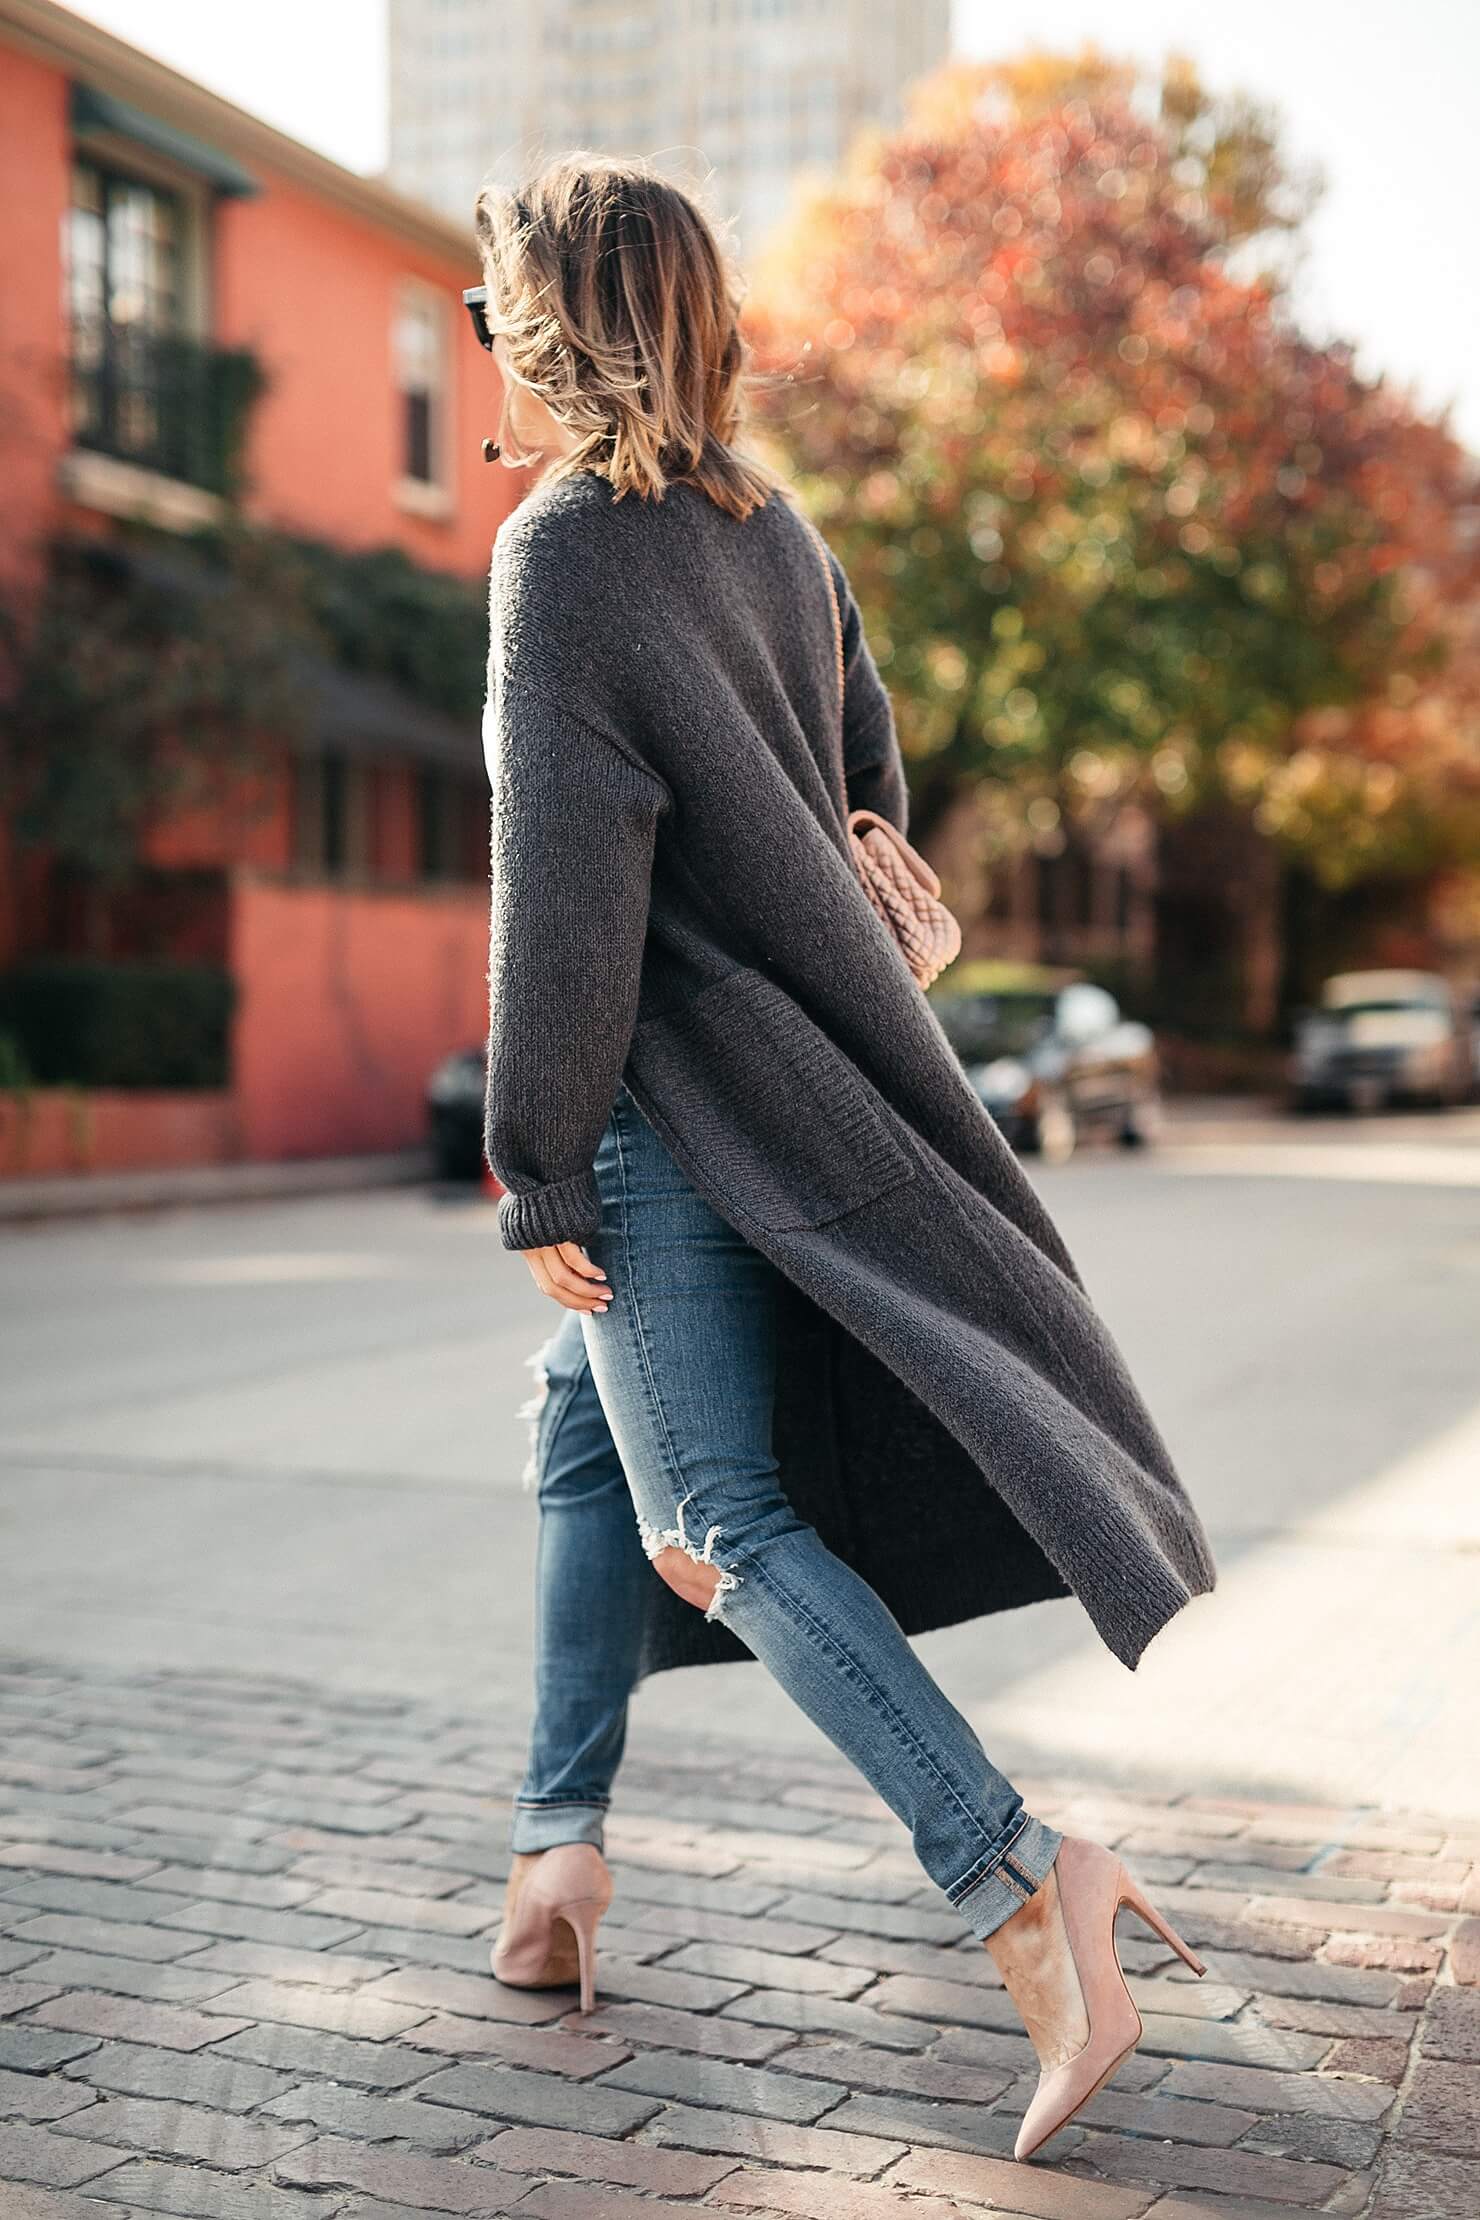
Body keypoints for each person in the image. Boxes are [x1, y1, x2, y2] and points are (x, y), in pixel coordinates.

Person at [471, 153, 1217, 2164]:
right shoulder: (775, 538)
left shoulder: (564, 551)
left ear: (546, 328)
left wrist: (536, 1156)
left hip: (660, 1113)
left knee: (709, 1520)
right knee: (577, 1436)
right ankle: (557, 1859)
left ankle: (1012, 1875)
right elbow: (872, 798)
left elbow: (564, 898)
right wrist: (868, 905)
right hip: (813, 1093)